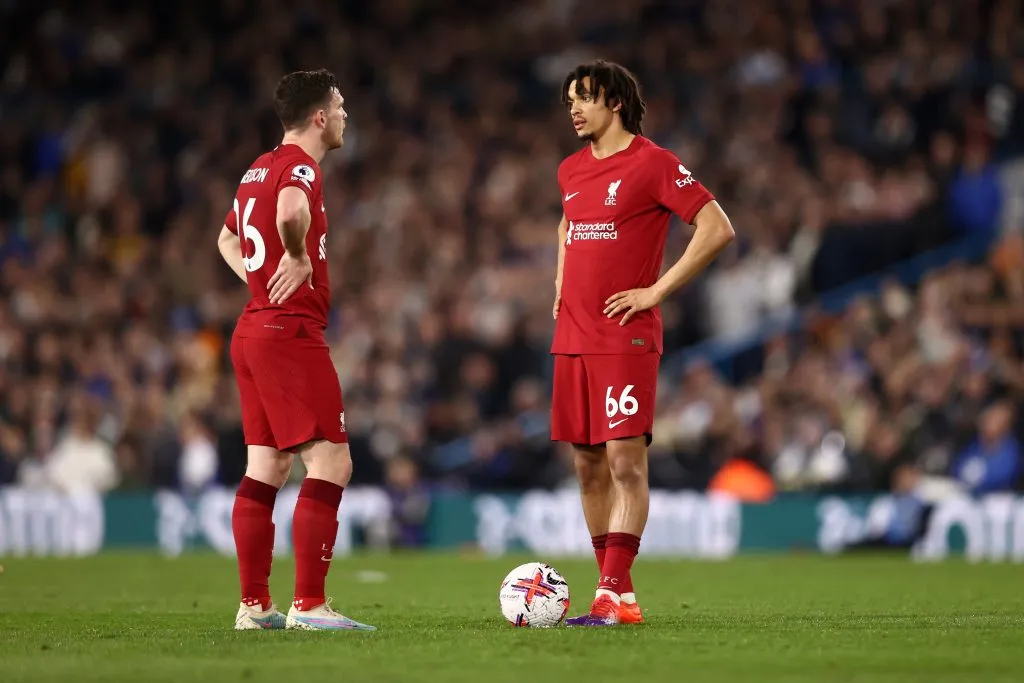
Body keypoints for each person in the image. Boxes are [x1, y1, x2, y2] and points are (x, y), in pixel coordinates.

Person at [551, 60, 735, 627]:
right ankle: (620, 597)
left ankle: (608, 593)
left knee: (625, 462)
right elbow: (568, 225)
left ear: (616, 102)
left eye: (584, 97)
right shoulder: (570, 170)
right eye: (569, 101)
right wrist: (560, 283)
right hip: (573, 337)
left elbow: (716, 227)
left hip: (623, 337)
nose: (575, 109)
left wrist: (656, 290)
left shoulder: (653, 163)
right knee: (586, 466)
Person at [218, 69, 374, 632]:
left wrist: (258, 279)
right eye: (339, 105)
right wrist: (296, 256)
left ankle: (254, 607)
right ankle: (310, 604)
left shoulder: (256, 167)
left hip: (254, 329)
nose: (345, 114)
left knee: (266, 466)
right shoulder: (299, 168)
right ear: (318, 117)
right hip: (288, 332)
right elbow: (289, 214)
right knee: (332, 462)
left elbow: (227, 239)